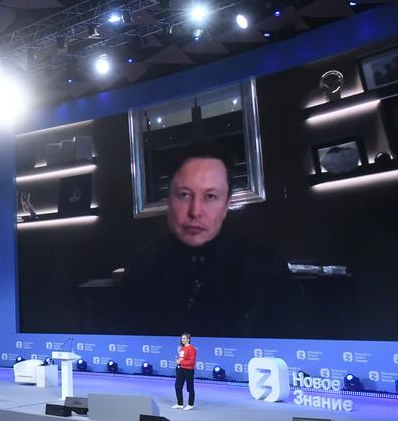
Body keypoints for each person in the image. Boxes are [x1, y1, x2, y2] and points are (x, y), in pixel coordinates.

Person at [121, 141, 303, 338]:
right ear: (169, 200)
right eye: (184, 195)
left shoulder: (265, 264)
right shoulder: (140, 265)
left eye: (210, 196)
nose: (195, 211)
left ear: (226, 205)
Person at [172, 333, 196, 410]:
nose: (182, 340)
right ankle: (180, 404)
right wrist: (178, 360)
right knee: (178, 386)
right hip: (180, 369)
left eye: (184, 338)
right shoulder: (182, 348)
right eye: (182, 338)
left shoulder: (191, 348)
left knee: (190, 388)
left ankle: (190, 404)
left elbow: (191, 362)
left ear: (188, 339)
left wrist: (180, 362)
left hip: (188, 370)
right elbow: (182, 358)